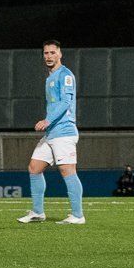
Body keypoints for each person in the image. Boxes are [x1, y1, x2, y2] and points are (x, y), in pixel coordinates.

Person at [17, 40, 85, 224]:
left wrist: (47, 120)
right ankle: (37, 212)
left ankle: (78, 216)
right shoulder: (50, 77)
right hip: (52, 132)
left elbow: (65, 102)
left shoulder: (65, 75)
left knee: (67, 170)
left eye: (52, 52)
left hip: (64, 131)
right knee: (34, 167)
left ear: (60, 54)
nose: (49, 56)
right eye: (46, 53)